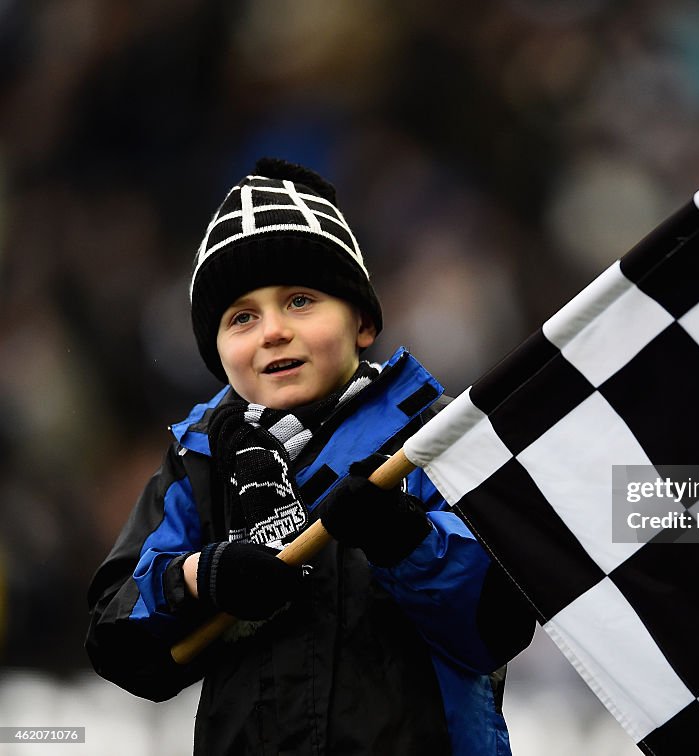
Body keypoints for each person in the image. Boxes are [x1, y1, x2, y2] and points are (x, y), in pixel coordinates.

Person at [86, 158, 536, 755]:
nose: (273, 331)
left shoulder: (436, 435)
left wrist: (403, 539)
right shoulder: (199, 461)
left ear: (363, 322)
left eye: (300, 301)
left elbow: (496, 627)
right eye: (242, 317)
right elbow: (119, 646)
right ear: (217, 351)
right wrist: (199, 577)